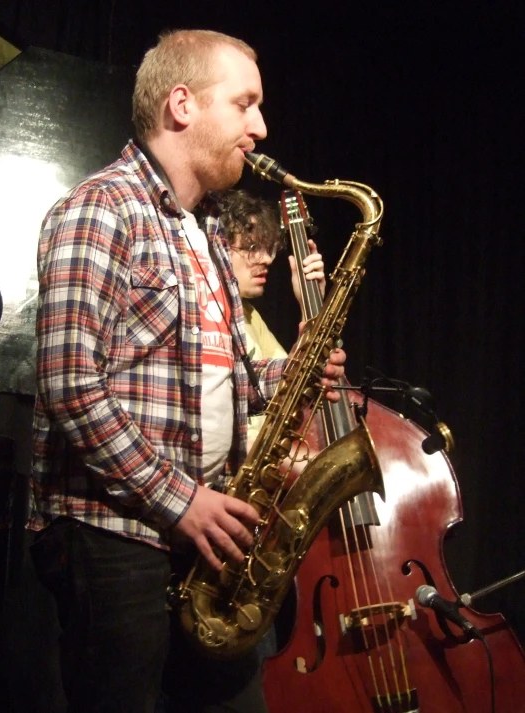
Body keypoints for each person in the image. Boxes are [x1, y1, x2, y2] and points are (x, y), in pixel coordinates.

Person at [28, 29, 345, 713]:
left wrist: (293, 372)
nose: (260, 127)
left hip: (201, 541)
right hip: (116, 538)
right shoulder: (101, 209)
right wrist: (183, 501)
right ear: (182, 104)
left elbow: (223, 378)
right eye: (246, 104)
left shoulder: (201, 235)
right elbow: (69, 385)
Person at [218, 189, 326, 449]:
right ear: (218, 247)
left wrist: (310, 304)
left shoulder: (250, 315)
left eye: (268, 249)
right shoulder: (201, 313)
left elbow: (294, 382)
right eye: (252, 247)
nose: (266, 259)